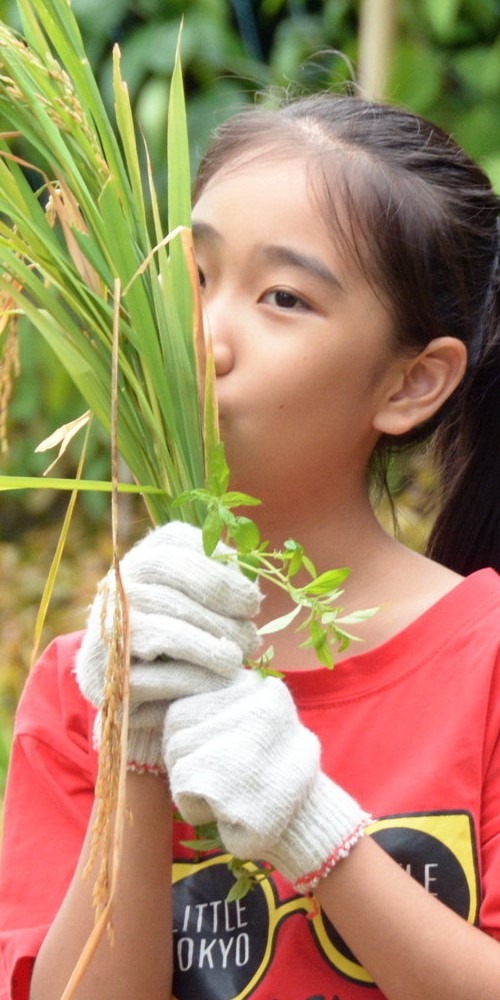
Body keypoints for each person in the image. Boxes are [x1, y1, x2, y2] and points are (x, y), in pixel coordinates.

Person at [1, 91, 500, 1000]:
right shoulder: (86, 688)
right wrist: (137, 751)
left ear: (411, 383)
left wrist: (311, 831)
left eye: (283, 298)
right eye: (191, 275)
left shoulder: (487, 660)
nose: (203, 335)